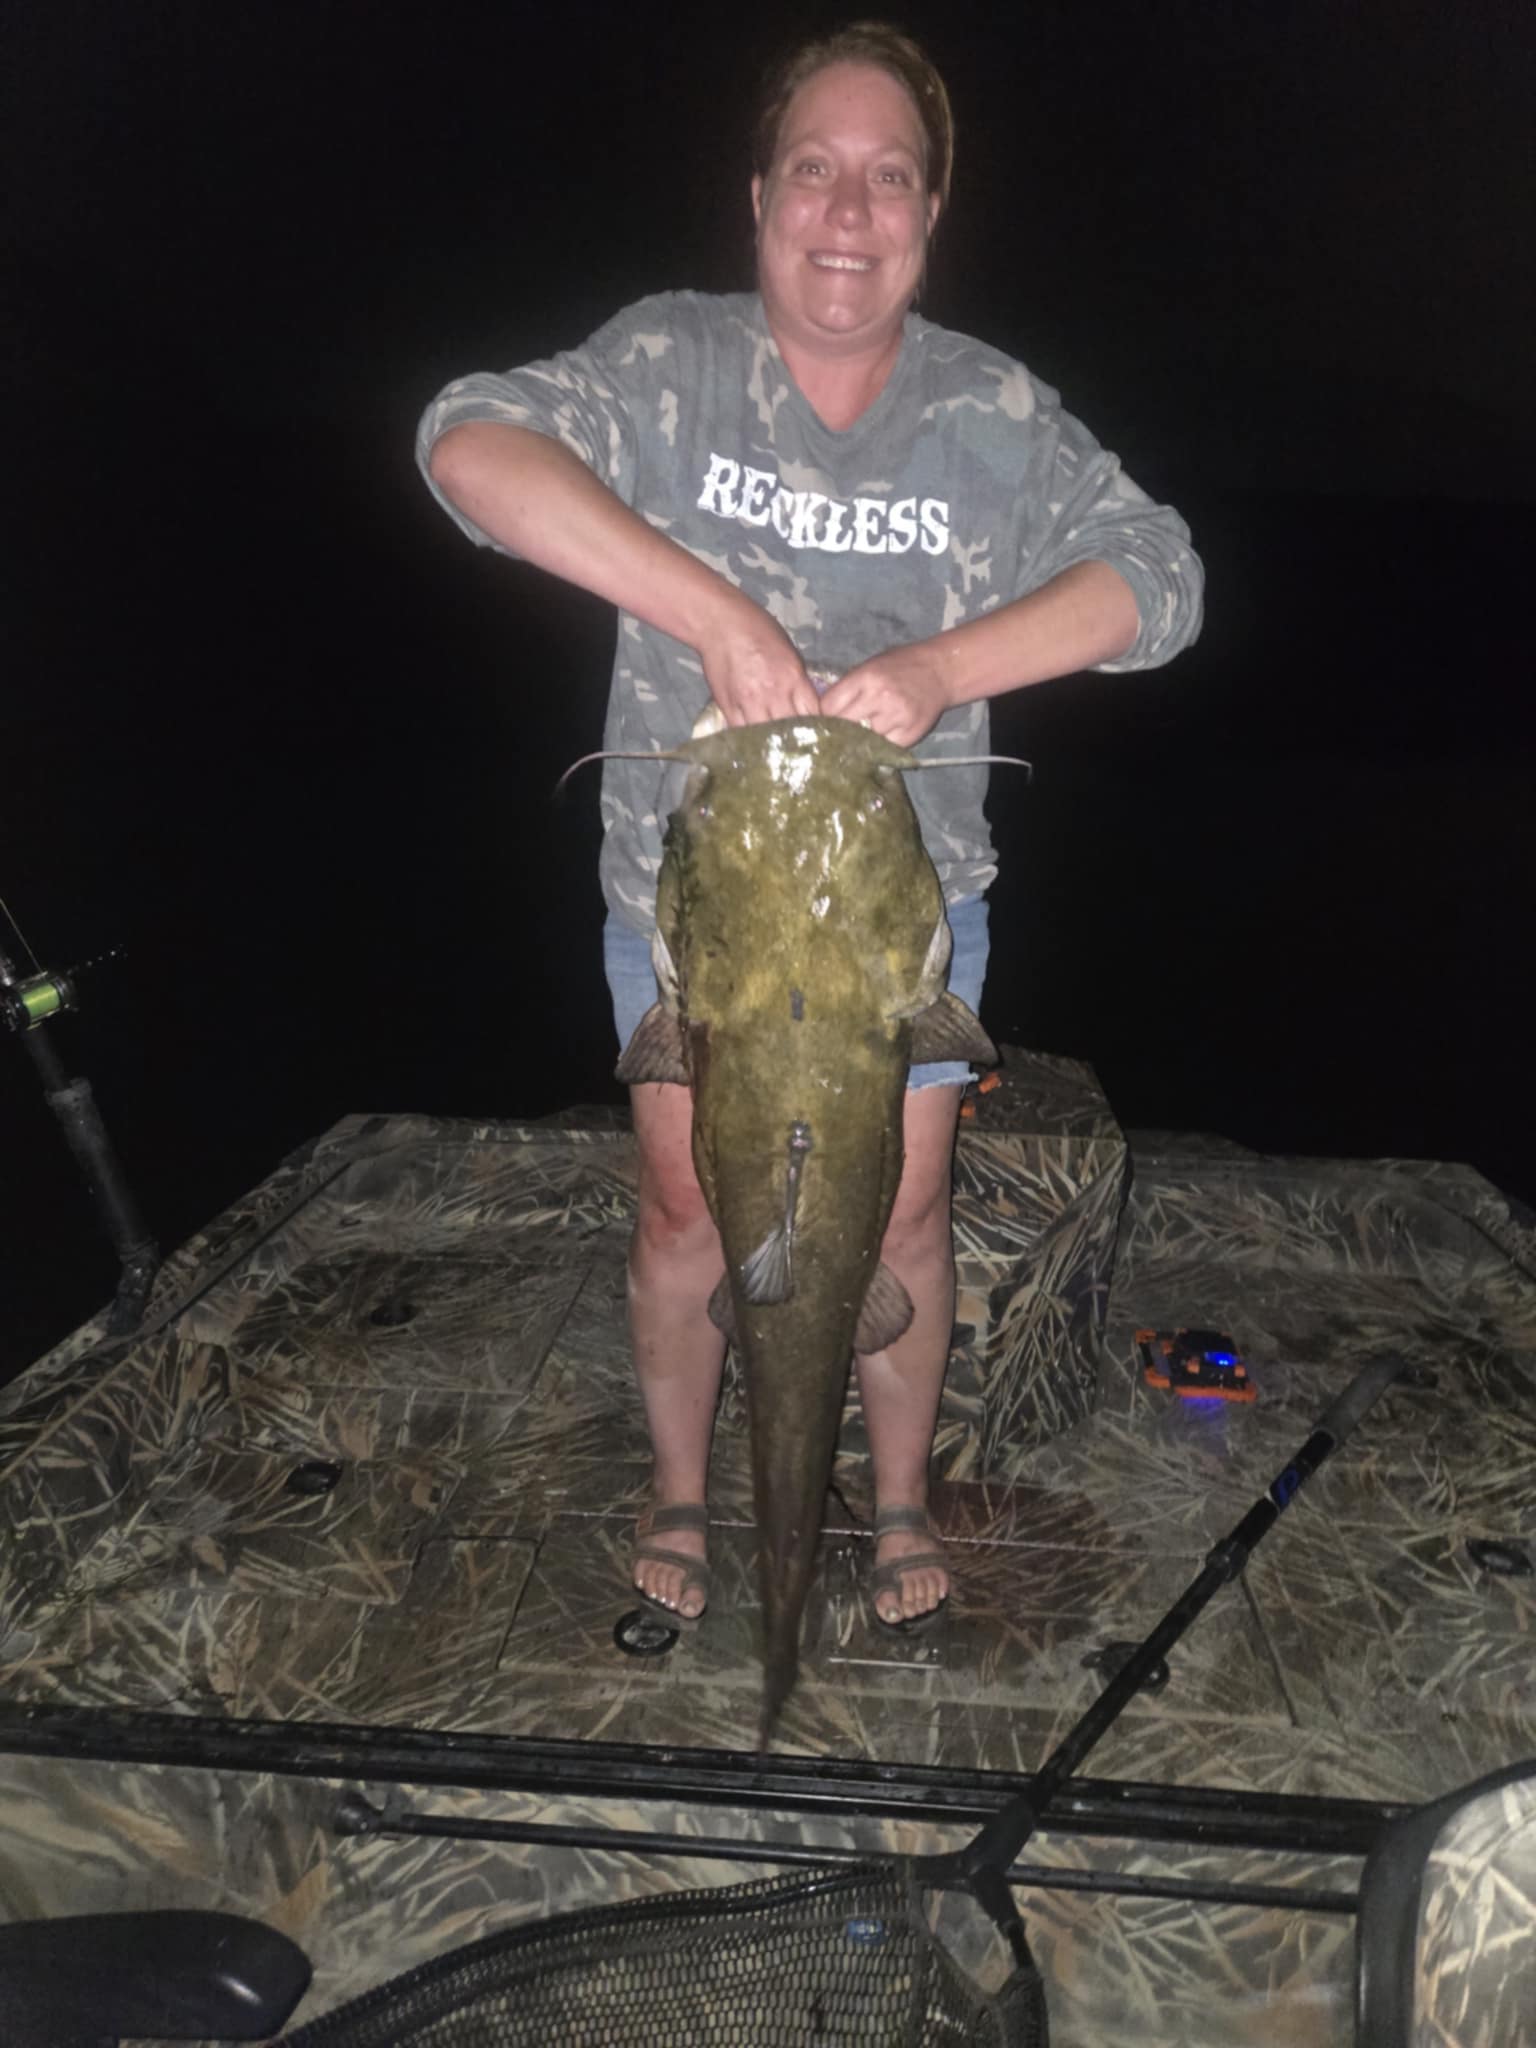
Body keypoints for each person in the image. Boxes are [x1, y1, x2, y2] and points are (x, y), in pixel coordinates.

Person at [418, 24, 1202, 1633]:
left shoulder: (992, 410)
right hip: (686, 916)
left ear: (932, 213)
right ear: (758, 197)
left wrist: (941, 666)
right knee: (692, 1205)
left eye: (889, 178)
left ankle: (900, 1493)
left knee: (900, 1211)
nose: (849, 213)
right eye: (816, 172)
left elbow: (1168, 581)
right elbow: (462, 439)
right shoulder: (670, 366)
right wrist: (709, 612)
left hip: (901, 933)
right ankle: (687, 1488)